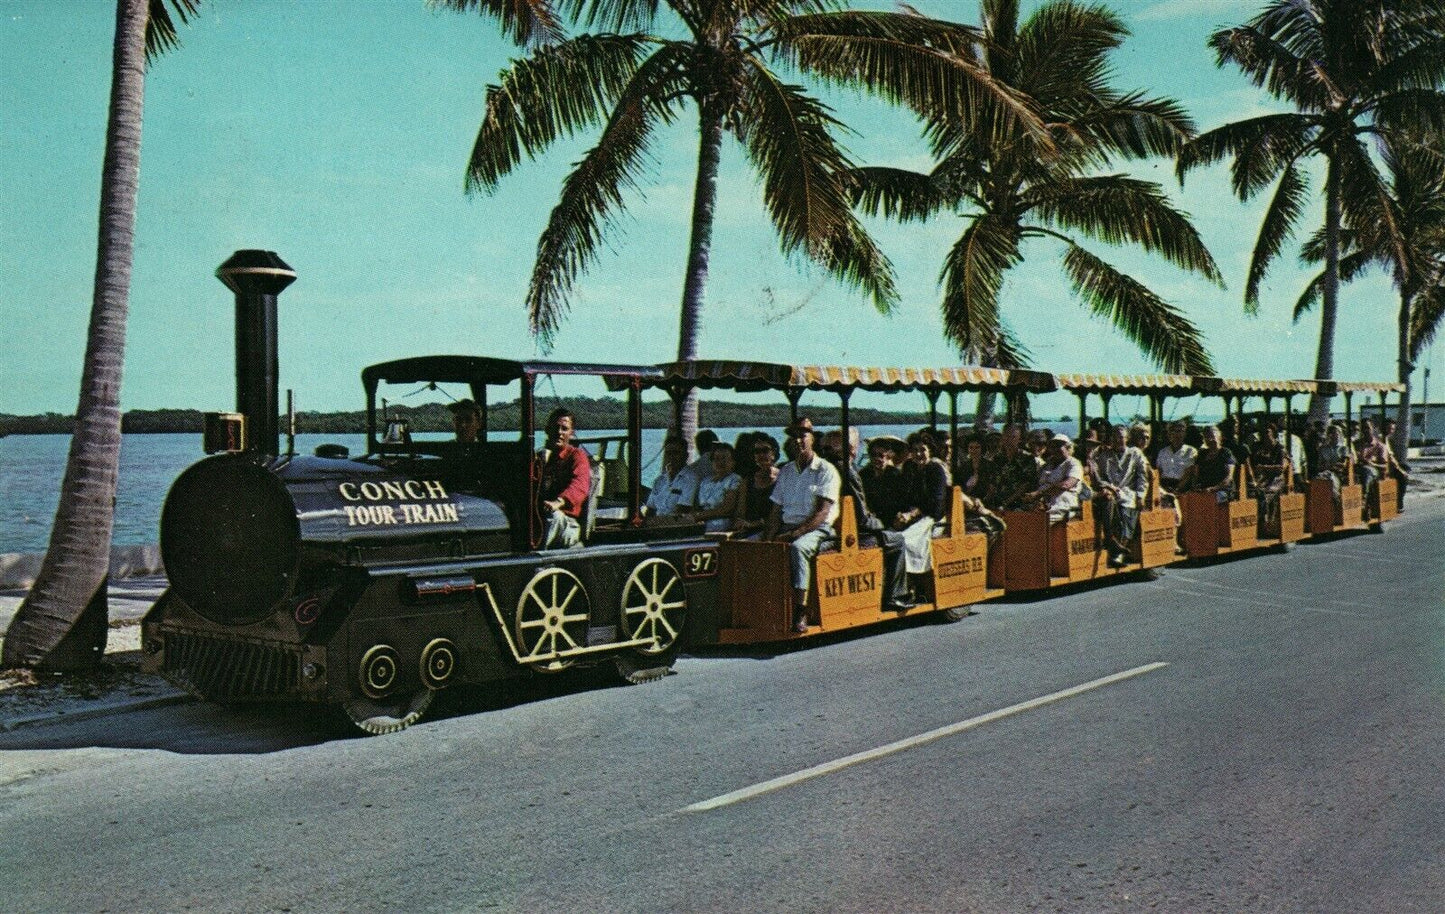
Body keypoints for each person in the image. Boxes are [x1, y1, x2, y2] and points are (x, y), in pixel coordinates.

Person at [765, 417, 842, 633]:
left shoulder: (826, 470)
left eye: (803, 435)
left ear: (813, 438)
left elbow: (822, 512)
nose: (798, 441)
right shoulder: (787, 471)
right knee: (750, 545)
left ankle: (801, 611)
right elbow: (775, 510)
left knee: (799, 549)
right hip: (788, 526)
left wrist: (794, 534)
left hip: (819, 530)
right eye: (794, 437)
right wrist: (768, 536)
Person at [825, 428, 912, 612]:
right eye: (873, 454)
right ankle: (894, 596)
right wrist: (881, 524)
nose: (877, 459)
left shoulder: (828, 467)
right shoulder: (852, 473)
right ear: (853, 450)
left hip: (848, 525)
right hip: (858, 531)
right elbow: (862, 518)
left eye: (881, 455)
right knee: (898, 541)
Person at [894, 431, 951, 594]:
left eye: (922, 450)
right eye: (915, 450)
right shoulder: (909, 467)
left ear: (929, 450)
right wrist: (902, 514)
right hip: (912, 515)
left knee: (904, 540)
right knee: (890, 535)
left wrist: (913, 514)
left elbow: (935, 503)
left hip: (933, 518)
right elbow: (903, 495)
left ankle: (910, 583)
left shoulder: (936, 470)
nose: (919, 454)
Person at [1090, 424, 1149, 566]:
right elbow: (1100, 477)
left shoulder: (1135, 453)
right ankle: (1113, 545)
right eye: (1115, 437)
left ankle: (1118, 553)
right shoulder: (1105, 456)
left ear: (1127, 438)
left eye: (1121, 437)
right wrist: (1109, 486)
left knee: (1127, 510)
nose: (1118, 440)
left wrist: (1141, 495)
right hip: (1111, 490)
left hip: (1128, 491)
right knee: (1109, 503)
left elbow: (1142, 476)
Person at [536, 407, 591, 549]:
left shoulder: (577, 456)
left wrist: (559, 502)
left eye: (564, 429)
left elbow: (580, 485)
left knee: (554, 516)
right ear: (547, 430)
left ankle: (538, 561)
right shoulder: (539, 457)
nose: (559, 432)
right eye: (555, 427)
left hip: (567, 522)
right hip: (540, 516)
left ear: (571, 433)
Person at [1023, 433, 1084, 521]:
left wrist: (1039, 493)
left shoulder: (1073, 463)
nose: (1055, 449)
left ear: (1068, 448)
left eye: (1059, 446)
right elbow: (1036, 482)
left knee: (1037, 523)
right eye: (1053, 446)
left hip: (1063, 505)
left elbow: (1066, 485)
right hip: (1044, 503)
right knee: (1018, 515)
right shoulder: (1048, 464)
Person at [984, 424, 1042, 511]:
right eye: (1006, 437)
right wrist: (986, 500)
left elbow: (1025, 485)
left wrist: (1006, 504)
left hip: (1019, 503)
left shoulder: (1027, 458)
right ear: (1002, 438)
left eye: (1013, 437)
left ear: (1019, 439)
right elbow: (993, 482)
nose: (1009, 440)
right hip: (998, 502)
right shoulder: (997, 458)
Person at [732, 433, 780, 536]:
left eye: (765, 450)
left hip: (773, 529)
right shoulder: (748, 481)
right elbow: (740, 512)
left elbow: (781, 515)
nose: (761, 455)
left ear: (773, 453)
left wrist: (753, 524)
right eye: (757, 452)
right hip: (749, 530)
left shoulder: (782, 478)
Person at [691, 442, 742, 533]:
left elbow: (727, 509)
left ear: (733, 462)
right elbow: (697, 506)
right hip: (701, 524)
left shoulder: (734, 479)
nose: (720, 462)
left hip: (722, 526)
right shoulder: (705, 481)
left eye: (724, 459)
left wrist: (699, 516)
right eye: (716, 459)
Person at [644, 432, 692, 522]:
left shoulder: (691, 479)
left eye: (676, 453)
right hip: (655, 526)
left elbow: (681, 512)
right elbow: (650, 510)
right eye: (668, 453)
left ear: (686, 456)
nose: (672, 457)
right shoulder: (659, 481)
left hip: (674, 528)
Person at [1181, 425, 1235, 503]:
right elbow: (1195, 476)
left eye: (1212, 436)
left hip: (1222, 491)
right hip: (1204, 490)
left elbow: (1228, 479)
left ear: (1219, 437)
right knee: (1189, 498)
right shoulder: (1202, 454)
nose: (1210, 439)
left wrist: (1213, 488)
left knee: (1212, 499)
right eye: (1206, 437)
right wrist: (1195, 487)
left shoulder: (1226, 453)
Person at [1250, 424, 1290, 526]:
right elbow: (1252, 464)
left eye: (1267, 432)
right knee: (1251, 491)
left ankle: (1265, 522)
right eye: (1262, 432)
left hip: (1276, 479)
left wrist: (1264, 467)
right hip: (1260, 479)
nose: (1264, 435)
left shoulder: (1280, 449)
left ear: (1273, 433)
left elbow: (1281, 468)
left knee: (1263, 493)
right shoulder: (1257, 448)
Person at [1313, 422, 1353, 500]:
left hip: (1340, 475)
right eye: (1332, 433)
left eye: (1337, 433)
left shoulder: (1344, 449)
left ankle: (1336, 499)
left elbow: (1342, 465)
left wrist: (1330, 466)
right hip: (1325, 473)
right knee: (1317, 479)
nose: (1335, 436)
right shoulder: (1322, 449)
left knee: (1331, 480)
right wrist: (1330, 466)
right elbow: (1319, 466)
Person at [1155, 421, 1197, 493]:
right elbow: (1158, 472)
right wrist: (1160, 489)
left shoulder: (1191, 451)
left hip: (1181, 486)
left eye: (1180, 431)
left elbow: (1189, 474)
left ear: (1184, 434)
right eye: (1173, 431)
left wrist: (1177, 489)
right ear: (1168, 434)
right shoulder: (1162, 452)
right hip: (1163, 486)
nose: (1177, 434)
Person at [1381, 418, 1409, 509]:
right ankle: (1398, 503)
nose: (1391, 431)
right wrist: (1400, 470)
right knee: (1403, 477)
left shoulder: (1387, 439)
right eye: (1389, 428)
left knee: (1406, 468)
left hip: (1387, 465)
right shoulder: (1381, 438)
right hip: (1382, 466)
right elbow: (1390, 458)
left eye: (1392, 429)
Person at [957, 432, 990, 498]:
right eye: (971, 448)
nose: (973, 450)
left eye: (977, 447)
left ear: (982, 448)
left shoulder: (989, 465)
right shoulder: (963, 467)